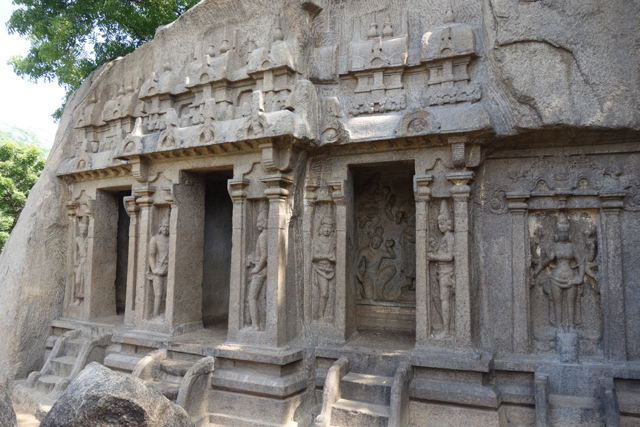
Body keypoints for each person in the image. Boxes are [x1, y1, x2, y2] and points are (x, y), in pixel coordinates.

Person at [533, 213, 584, 330]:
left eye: (565, 232)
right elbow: (543, 263)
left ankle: (571, 326)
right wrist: (536, 272)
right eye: (561, 232)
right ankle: (558, 327)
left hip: (571, 277)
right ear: (557, 234)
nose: (563, 234)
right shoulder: (553, 247)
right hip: (555, 278)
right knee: (557, 303)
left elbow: (581, 262)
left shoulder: (572, 247)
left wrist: (580, 277)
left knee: (571, 303)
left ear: (569, 233)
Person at [427, 200, 455, 339]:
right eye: (438, 224)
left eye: (442, 223)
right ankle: (446, 328)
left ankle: (447, 331)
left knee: (445, 300)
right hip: (442, 272)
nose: (439, 226)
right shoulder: (445, 238)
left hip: (447, 273)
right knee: (442, 299)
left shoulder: (450, 238)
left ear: (448, 223)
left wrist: (434, 257)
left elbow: (450, 256)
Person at [355, 226, 396, 300]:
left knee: (393, 269)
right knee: (370, 297)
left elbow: (393, 256)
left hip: (377, 275)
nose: (376, 243)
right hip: (368, 275)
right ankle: (360, 288)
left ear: (380, 244)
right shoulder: (364, 251)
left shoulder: (380, 252)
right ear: (371, 239)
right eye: (375, 240)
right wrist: (361, 278)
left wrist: (388, 247)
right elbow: (355, 267)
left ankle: (381, 286)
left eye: (378, 242)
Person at [246, 210, 268, 331]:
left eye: (259, 221)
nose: (257, 224)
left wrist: (257, 268)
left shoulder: (263, 236)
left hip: (261, 270)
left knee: (252, 297)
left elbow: (264, 255)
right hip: (263, 269)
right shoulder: (267, 235)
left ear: (266, 222)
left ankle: (255, 325)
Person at [312, 215, 337, 319]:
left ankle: (329, 314)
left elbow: (335, 254)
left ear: (332, 229)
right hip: (320, 269)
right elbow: (314, 256)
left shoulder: (333, 242)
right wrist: (326, 256)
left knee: (332, 294)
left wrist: (334, 258)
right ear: (321, 228)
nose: (327, 229)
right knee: (324, 293)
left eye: (329, 228)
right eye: (325, 227)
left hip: (331, 269)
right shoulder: (317, 241)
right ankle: (320, 314)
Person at [148, 215, 170, 318]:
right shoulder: (155, 239)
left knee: (167, 294)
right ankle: (156, 314)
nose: (165, 229)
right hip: (159, 270)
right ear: (160, 227)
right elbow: (151, 255)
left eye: (168, 227)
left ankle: (164, 313)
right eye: (164, 226)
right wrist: (154, 269)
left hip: (169, 269)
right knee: (158, 294)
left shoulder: (172, 239)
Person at [73, 216, 89, 306]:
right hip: (80, 260)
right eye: (81, 228)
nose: (83, 230)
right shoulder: (77, 239)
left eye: (84, 229)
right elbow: (75, 251)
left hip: (87, 261)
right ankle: (78, 298)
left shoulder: (89, 239)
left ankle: (84, 299)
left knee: (85, 280)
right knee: (78, 281)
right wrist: (75, 262)